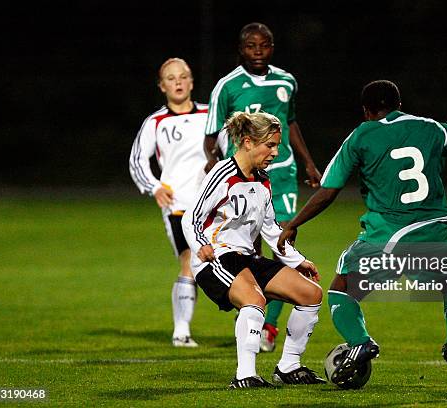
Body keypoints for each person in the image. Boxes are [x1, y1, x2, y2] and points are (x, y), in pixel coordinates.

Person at [277, 80, 447, 398]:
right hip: (436, 233)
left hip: (387, 237)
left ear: (367, 111)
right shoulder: (432, 128)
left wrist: (294, 223)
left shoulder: (363, 134)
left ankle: (361, 343)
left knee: (341, 292)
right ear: (399, 103)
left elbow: (329, 189)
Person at [182, 111, 325, 388]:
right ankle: (245, 375)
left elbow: (271, 228)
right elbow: (192, 216)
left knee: (311, 294)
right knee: (254, 299)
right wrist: (201, 245)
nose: (275, 152)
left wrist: (297, 261)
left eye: (277, 145)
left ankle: (288, 367)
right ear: (248, 142)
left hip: (245, 257)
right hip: (217, 257)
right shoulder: (222, 174)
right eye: (270, 145)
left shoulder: (262, 179)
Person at [203, 22, 322, 353]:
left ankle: (268, 324)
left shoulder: (286, 81)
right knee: (247, 248)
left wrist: (308, 162)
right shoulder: (226, 87)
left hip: (281, 175)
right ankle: (250, 307)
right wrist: (214, 163)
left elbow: (292, 122)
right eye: (251, 46)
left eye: (265, 45)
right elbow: (211, 135)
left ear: (273, 47)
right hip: (242, 179)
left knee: (283, 239)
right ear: (241, 49)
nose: (258, 51)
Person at [129, 57, 208, 348]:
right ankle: (181, 330)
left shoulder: (210, 116)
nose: (178, 82)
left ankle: (251, 325)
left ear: (191, 81)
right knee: (189, 260)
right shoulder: (155, 122)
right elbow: (137, 160)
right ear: (162, 86)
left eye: (183, 76)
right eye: (171, 78)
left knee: (224, 262)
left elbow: (229, 152)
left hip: (212, 204)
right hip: (178, 204)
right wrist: (154, 187)